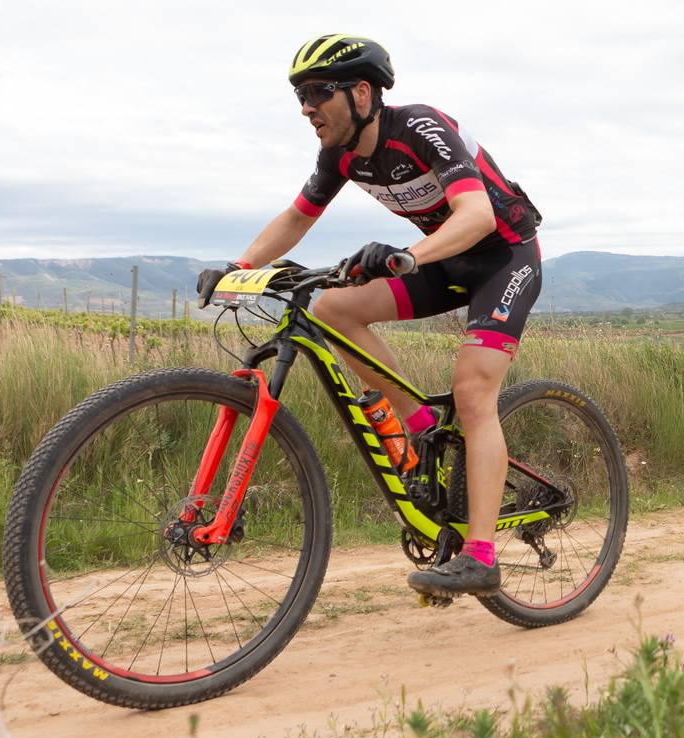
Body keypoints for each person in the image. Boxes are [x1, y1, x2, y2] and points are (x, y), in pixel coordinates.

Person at [195, 34, 543, 598]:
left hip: (504, 256)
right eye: (299, 97)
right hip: (445, 257)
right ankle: (425, 428)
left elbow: (477, 214)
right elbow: (296, 216)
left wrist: (406, 257)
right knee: (332, 308)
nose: (306, 108)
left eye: (315, 93)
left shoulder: (422, 128)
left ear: (361, 93)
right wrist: (238, 266)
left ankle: (481, 556)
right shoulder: (339, 155)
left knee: (474, 393)